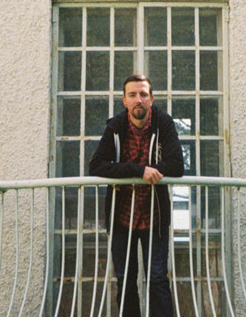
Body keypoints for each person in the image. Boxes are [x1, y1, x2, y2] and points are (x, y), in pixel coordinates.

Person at [90, 73, 184, 317]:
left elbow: (177, 165)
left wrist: (142, 170)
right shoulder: (115, 127)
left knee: (157, 278)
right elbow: (96, 165)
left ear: (151, 98)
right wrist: (138, 171)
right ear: (124, 100)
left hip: (155, 217)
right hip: (122, 218)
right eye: (132, 95)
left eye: (143, 94)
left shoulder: (163, 124)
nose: (138, 100)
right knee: (125, 280)